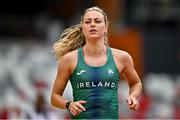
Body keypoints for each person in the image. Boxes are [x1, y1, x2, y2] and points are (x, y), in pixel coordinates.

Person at [50, 6, 142, 119]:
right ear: (83, 28)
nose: (92, 24)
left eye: (97, 21)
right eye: (88, 22)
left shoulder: (122, 57)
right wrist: (69, 105)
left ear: (106, 28)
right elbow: (54, 97)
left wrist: (133, 96)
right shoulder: (69, 60)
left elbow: (135, 83)